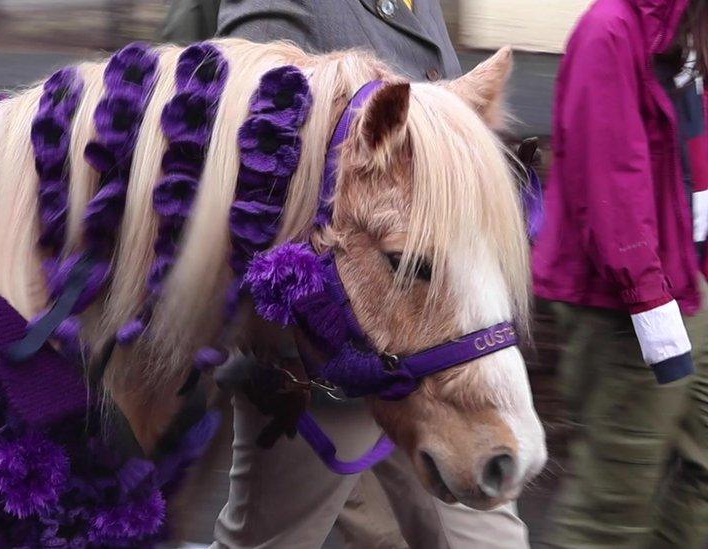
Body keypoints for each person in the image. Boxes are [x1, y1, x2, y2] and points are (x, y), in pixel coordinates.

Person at [160, 1, 532, 548]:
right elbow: (258, 150)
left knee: (485, 537)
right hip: (322, 366)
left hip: (432, 348)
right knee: (275, 540)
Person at [533, 0, 708, 546]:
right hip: (624, 305)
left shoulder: (685, 34)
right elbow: (612, 189)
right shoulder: (610, 30)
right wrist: (656, 318)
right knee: (613, 505)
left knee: (699, 471)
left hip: (690, 283)